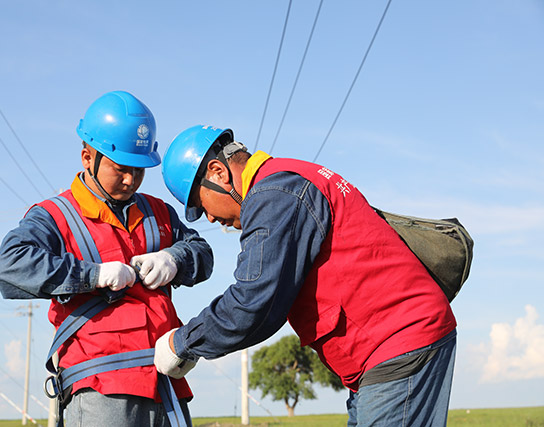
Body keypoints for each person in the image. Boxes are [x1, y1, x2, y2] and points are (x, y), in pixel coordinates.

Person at [154, 125, 458, 426]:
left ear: (218, 172)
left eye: (199, 202)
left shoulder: (275, 193)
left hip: (398, 345)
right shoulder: (288, 177)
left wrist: (183, 343)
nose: (208, 217)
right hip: (384, 351)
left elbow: (253, 302)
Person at [0, 92, 213, 427]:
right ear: (87, 157)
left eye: (139, 170)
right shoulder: (54, 217)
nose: (131, 180)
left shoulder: (158, 212)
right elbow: (11, 266)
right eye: (121, 169)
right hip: (101, 389)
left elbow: (202, 254)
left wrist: (175, 258)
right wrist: (91, 275)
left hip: (166, 383)